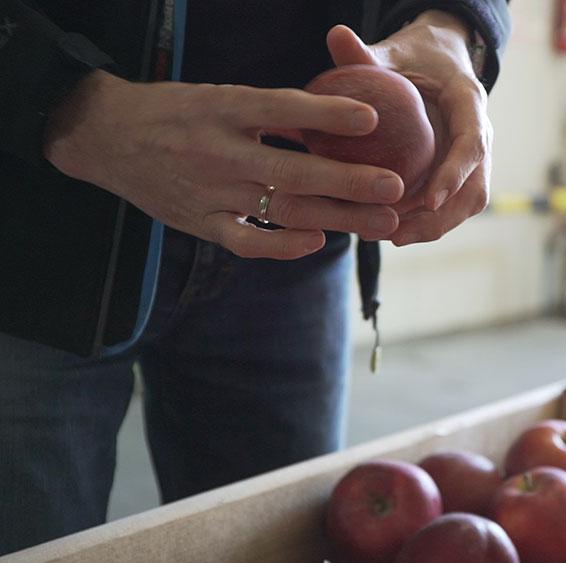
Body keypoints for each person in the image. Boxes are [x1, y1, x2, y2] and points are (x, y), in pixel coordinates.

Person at [0, 0, 511, 553]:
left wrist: (454, 22)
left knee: (280, 545)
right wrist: (67, 103)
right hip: (33, 244)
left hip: (295, 248)